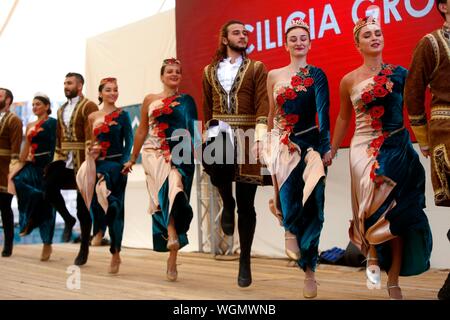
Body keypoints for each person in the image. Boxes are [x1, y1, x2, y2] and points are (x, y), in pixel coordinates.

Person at [330, 16, 432, 299]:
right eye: (368, 35)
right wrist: (333, 148)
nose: (375, 37)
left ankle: (394, 280)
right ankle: (372, 253)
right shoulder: (348, 80)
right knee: (370, 210)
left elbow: (415, 106)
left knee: (395, 214)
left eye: (378, 33)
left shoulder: (401, 74)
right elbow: (342, 117)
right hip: (364, 150)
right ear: (358, 44)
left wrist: (423, 140)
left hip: (397, 147)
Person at [263, 18, 331, 298]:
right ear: (286, 44)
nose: (299, 41)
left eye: (304, 37)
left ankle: (311, 270)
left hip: (311, 143)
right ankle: (288, 226)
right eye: (294, 38)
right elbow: (271, 113)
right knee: (291, 198)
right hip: (283, 143)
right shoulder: (274, 75)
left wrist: (325, 147)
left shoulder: (317, 74)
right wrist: (263, 141)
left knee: (314, 205)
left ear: (310, 43)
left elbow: (323, 112)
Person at [201, 20, 269, 288]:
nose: (243, 36)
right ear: (225, 38)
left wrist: (261, 138)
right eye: (237, 32)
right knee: (213, 166)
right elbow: (207, 107)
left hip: (249, 133)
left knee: (247, 204)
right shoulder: (208, 71)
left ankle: (245, 261)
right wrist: (206, 132)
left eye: (245, 33)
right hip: (219, 131)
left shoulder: (256, 68)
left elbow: (263, 102)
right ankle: (225, 202)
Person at [123, 58, 198, 281]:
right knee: (164, 193)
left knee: (176, 193)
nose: (174, 74)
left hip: (180, 153)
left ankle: (172, 255)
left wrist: (202, 154)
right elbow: (141, 131)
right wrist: (132, 157)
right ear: (162, 76)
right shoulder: (150, 100)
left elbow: (193, 128)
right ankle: (172, 235)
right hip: (153, 152)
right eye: (169, 71)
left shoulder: (187, 100)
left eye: (178, 72)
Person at [404, 0, 450, 300]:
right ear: (443, 6)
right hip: (447, 130)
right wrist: (423, 137)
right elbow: (413, 91)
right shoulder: (431, 44)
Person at [77, 77, 133, 274]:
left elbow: (129, 141)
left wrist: (127, 161)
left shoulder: (123, 115)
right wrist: (91, 153)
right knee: (97, 202)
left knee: (117, 209)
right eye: (108, 90)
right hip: (98, 165)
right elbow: (90, 143)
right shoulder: (92, 116)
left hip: (117, 167)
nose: (112, 93)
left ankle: (116, 252)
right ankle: (99, 229)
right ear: (100, 93)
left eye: (115, 90)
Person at [44, 72, 98, 265]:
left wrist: (89, 164)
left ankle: (84, 249)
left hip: (83, 159)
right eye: (65, 83)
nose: (66, 86)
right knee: (48, 186)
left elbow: (92, 134)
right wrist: (56, 160)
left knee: (83, 208)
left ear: (80, 86)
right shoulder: (61, 109)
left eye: (70, 83)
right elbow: (59, 138)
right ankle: (67, 219)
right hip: (65, 159)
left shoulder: (89, 105)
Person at [10, 93, 57, 261]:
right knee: (18, 180)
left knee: (49, 206)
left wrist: (53, 164)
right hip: (32, 164)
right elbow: (26, 146)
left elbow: (55, 144)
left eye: (38, 104)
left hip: (47, 165)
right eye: (33, 105)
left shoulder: (52, 123)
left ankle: (47, 243)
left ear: (46, 106)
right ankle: (30, 218)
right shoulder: (30, 124)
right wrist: (20, 161)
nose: (35, 107)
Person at [0, 88, 22, 257]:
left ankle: (8, 244)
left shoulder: (13, 120)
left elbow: (16, 147)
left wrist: (12, 172)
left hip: (5, 169)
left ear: (8, 100)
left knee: (5, 207)